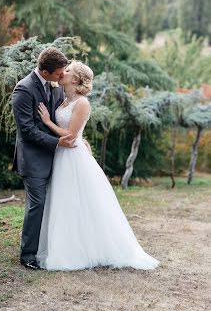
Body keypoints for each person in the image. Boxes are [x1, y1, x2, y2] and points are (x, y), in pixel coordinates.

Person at [36, 60, 159, 271]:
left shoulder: (82, 103)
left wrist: (48, 122)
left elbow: (72, 136)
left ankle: (86, 250)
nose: (62, 73)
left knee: (81, 203)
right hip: (61, 156)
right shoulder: (63, 100)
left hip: (74, 158)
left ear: (75, 79)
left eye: (67, 70)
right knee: (65, 202)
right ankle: (66, 247)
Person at [12, 47, 76, 270]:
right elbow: (27, 130)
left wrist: (76, 137)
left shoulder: (56, 87)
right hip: (33, 159)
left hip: (57, 158)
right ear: (45, 71)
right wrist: (57, 142)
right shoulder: (23, 90)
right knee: (37, 204)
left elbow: (60, 121)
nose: (62, 76)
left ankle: (47, 248)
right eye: (59, 73)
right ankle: (28, 255)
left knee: (55, 203)